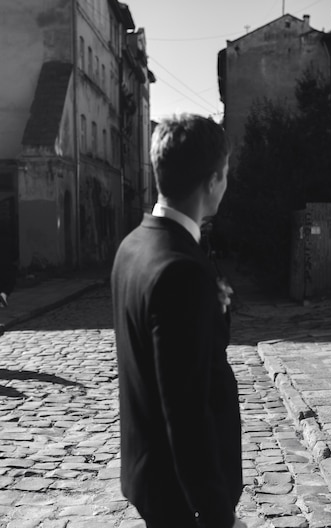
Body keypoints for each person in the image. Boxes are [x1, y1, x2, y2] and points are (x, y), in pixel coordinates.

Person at [111, 114, 245, 528]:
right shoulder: (180, 269)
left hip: (148, 472)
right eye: (225, 174)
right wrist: (217, 515)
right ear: (213, 180)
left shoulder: (133, 245)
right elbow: (186, 411)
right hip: (180, 496)